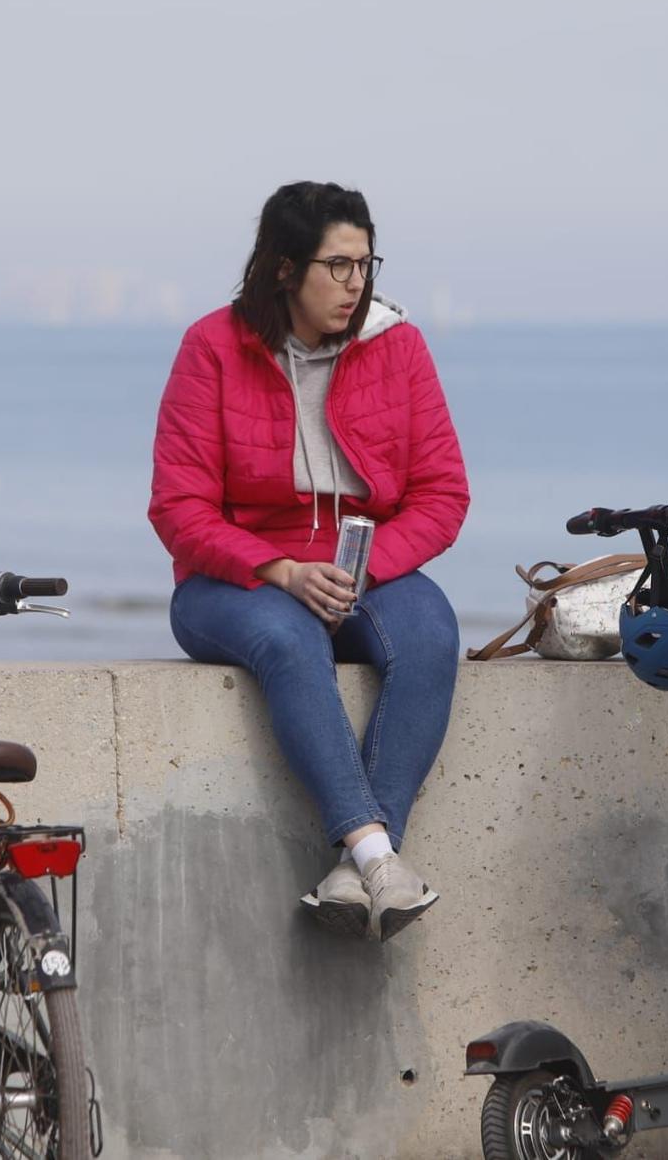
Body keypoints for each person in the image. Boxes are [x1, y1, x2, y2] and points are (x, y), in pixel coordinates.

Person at [149, 180, 470, 941]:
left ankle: (354, 871)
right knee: (290, 641)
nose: (356, 284)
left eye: (366, 264)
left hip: (363, 570)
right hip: (238, 579)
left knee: (430, 632)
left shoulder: (399, 345)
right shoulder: (212, 347)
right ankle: (377, 852)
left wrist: (367, 566)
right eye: (339, 266)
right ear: (285, 269)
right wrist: (281, 571)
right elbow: (179, 508)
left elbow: (442, 493)